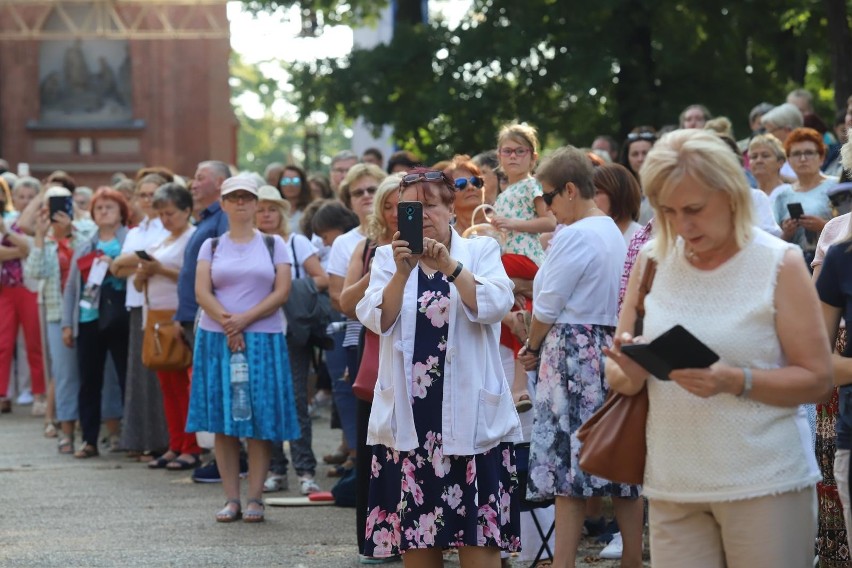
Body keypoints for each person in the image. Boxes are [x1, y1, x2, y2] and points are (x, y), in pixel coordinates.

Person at [604, 129, 832, 568]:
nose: (681, 226)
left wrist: (737, 380)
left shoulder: (778, 262)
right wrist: (628, 370)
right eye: (667, 211)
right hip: (673, 486)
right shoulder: (652, 260)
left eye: (694, 209)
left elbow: (819, 379)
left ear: (731, 195)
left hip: (766, 482)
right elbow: (620, 373)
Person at [356, 168, 523, 565]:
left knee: (480, 548)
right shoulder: (387, 258)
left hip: (471, 425)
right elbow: (375, 318)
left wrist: (452, 268)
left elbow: (495, 305)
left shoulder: (479, 252)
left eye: (430, 205)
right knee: (419, 547)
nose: (421, 215)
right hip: (412, 427)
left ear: (451, 209)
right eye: (410, 208)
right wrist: (402, 272)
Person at [515, 147, 643, 568]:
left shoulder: (574, 234)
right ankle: (630, 557)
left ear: (569, 190)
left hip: (571, 348)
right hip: (608, 343)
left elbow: (548, 304)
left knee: (567, 469)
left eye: (548, 197)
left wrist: (531, 347)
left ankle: (564, 561)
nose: (547, 207)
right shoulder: (610, 229)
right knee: (619, 459)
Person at [186, 176, 300, 523]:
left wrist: (242, 321)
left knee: (260, 417)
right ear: (223, 204)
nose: (240, 204)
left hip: (262, 336)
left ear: (255, 203)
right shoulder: (212, 245)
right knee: (223, 419)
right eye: (233, 198)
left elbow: (281, 291)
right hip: (217, 337)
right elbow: (201, 291)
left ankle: (255, 497)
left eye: (246, 198)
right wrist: (227, 323)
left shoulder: (272, 244)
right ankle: (230, 498)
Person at [338, 172, 402, 562]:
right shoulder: (366, 247)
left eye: (404, 206)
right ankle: (375, 540)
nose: (396, 213)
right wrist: (382, 263)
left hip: (421, 356)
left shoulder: (439, 244)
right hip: (376, 353)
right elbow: (345, 303)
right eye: (389, 206)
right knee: (371, 447)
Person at [255, 185, 327, 495]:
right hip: (258, 331)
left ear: (283, 213)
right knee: (264, 402)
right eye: (260, 209)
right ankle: (276, 469)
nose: (266, 214)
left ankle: (305, 470)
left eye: (272, 209)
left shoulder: (296, 242)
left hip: (293, 331)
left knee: (297, 399)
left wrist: (286, 286)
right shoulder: (248, 245)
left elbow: (322, 278)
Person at [130, 183, 201, 470]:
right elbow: (138, 283)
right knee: (167, 387)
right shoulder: (161, 240)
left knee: (185, 385)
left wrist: (158, 269)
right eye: (161, 214)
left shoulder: (192, 238)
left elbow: (190, 277)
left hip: (177, 315)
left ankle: (191, 446)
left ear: (187, 211)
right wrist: (143, 272)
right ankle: (176, 443)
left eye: (170, 213)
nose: (165, 220)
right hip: (155, 316)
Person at [325, 163, 387, 478]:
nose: (365, 196)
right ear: (348, 200)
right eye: (357, 192)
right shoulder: (347, 243)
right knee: (362, 413)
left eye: (371, 190)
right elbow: (339, 298)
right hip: (359, 336)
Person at [60, 188, 132, 458]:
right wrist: (68, 324)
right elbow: (71, 288)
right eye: (99, 208)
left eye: (109, 207)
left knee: (126, 378)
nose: (103, 212)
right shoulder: (85, 244)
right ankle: (89, 439)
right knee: (89, 380)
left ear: (121, 212)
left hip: (120, 319)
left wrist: (113, 265)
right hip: (88, 318)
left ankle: (130, 436)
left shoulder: (130, 240)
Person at [110, 173, 171, 460]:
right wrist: (141, 258)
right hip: (136, 304)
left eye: (153, 194)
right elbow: (117, 268)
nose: (148, 200)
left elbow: (153, 262)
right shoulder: (136, 232)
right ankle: (141, 438)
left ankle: (163, 441)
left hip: (162, 305)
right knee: (139, 374)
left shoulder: (169, 227)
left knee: (161, 375)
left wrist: (134, 260)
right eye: (143, 194)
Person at [490, 122, 555, 267]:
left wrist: (513, 223)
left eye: (520, 151)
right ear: (499, 156)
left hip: (526, 257)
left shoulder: (532, 185)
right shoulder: (503, 194)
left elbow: (550, 222)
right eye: (507, 151)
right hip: (508, 256)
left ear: (533, 157)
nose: (513, 156)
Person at [773, 127, 837, 266]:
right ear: (788, 160)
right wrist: (787, 233)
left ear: (821, 157)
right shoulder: (782, 196)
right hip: (796, 265)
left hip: (831, 262)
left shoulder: (837, 187)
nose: (803, 159)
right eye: (796, 154)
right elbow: (775, 244)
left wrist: (823, 226)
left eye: (809, 153)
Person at [593, 163, 643, 245]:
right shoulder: (593, 238)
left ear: (618, 193)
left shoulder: (642, 240)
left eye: (596, 193)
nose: (591, 200)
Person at [747, 134, 791, 204]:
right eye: (754, 157)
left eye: (765, 156)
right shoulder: (747, 198)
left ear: (780, 162)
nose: (759, 160)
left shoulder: (791, 194)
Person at [275, 164, 313, 234]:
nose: (290, 185)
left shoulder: (311, 211)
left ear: (303, 184)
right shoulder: (274, 210)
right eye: (285, 181)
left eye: (295, 181)